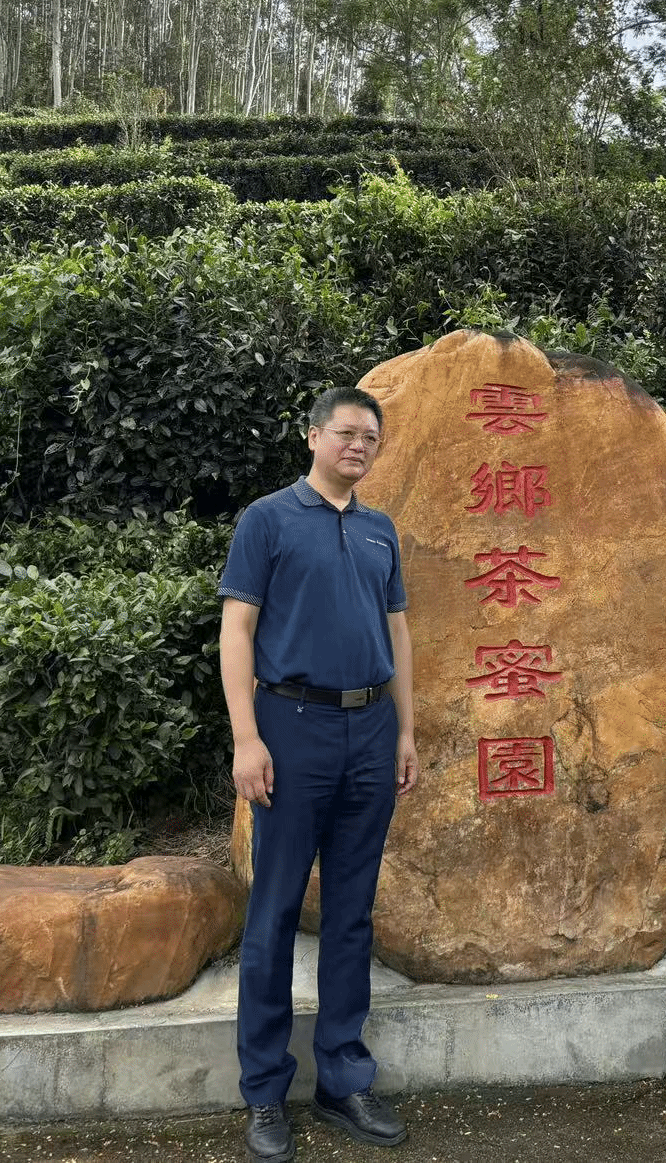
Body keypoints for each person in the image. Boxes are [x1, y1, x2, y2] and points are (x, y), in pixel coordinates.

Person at [218, 386, 418, 1162]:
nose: (358, 446)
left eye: (370, 437)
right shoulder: (268, 520)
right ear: (312, 437)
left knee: (351, 911)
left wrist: (406, 729)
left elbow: (398, 634)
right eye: (345, 433)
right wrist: (246, 738)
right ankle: (265, 1091)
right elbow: (238, 630)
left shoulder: (379, 529)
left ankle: (342, 1078)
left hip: (370, 729)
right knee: (272, 913)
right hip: (290, 725)